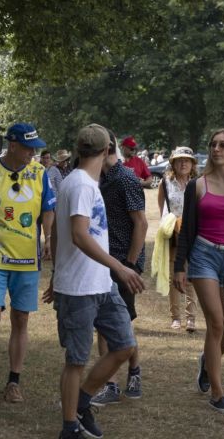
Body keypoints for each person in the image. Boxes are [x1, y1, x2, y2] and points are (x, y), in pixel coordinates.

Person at [44, 123, 145, 439]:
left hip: (102, 284)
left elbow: (61, 232)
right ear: (107, 151)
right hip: (80, 289)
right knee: (76, 360)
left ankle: (83, 401)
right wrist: (122, 267)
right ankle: (69, 426)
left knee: (124, 345)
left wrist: (55, 273)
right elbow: (78, 234)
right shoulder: (81, 185)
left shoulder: (80, 181)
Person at [0, 123, 55, 404]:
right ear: (13, 145)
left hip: (28, 261)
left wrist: (48, 237)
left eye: (35, 148)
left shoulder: (39, 173)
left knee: (21, 319)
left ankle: (14, 381)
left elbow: (48, 209)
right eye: (29, 147)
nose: (34, 152)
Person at [174, 128, 224, 413]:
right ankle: (217, 393)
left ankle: (205, 362)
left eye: (223, 145)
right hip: (204, 256)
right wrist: (178, 268)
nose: (216, 149)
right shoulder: (197, 185)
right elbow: (186, 230)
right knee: (217, 324)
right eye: (213, 144)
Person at [90, 130, 148, 406]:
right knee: (104, 323)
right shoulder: (96, 178)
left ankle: (133, 372)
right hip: (103, 259)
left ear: (106, 147)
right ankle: (110, 384)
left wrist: (130, 265)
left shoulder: (125, 179)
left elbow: (141, 223)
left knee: (121, 323)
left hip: (124, 261)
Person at [157, 146, 199, 331]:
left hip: (194, 235)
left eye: (187, 160)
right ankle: (175, 317)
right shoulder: (165, 183)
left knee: (191, 277)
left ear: (192, 164)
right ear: (173, 163)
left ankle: (191, 318)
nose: (183, 163)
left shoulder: (198, 183)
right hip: (173, 235)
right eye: (179, 160)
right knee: (175, 276)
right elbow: (162, 210)